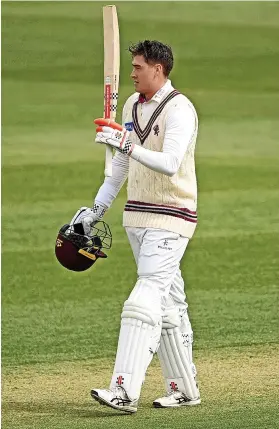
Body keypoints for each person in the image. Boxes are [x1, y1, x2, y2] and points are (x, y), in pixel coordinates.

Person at [71, 40, 200, 414]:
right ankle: (184, 388)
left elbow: (171, 162)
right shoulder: (130, 105)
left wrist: (125, 142)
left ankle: (124, 390)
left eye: (139, 67)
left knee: (144, 296)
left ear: (158, 69)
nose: (132, 73)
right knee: (169, 301)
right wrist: (93, 211)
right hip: (137, 217)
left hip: (172, 215)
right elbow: (120, 171)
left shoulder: (180, 109)